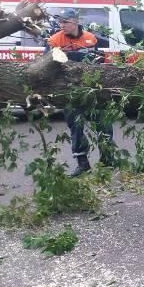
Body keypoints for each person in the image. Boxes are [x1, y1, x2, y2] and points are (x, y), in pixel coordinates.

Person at [47, 9, 115, 176]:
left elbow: (98, 62)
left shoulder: (90, 38)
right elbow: (47, 66)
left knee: (104, 123)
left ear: (75, 21)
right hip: (70, 91)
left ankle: (107, 160)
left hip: (92, 88)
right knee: (76, 126)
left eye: (66, 22)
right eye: (60, 22)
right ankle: (82, 164)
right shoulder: (54, 40)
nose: (62, 25)